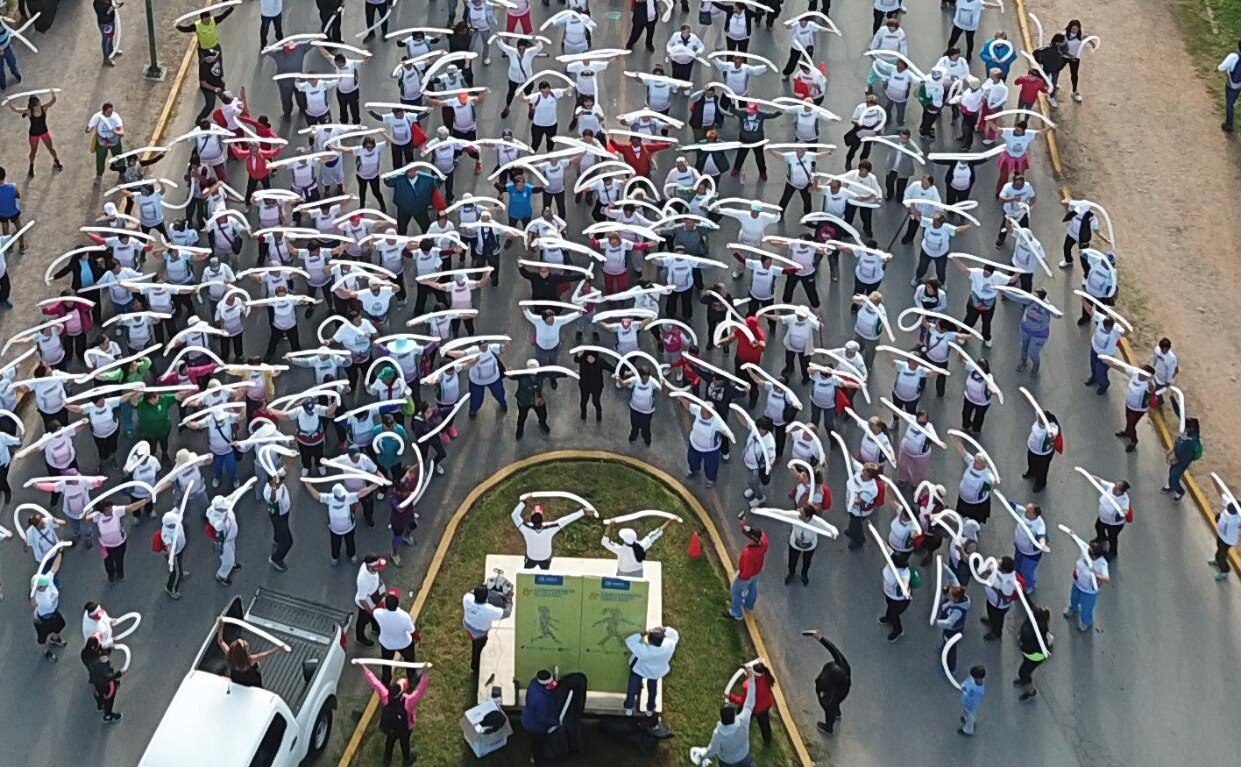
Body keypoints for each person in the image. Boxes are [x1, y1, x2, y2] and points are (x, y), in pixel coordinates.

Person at [360, 664, 428, 766]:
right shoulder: (408, 702)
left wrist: (365, 669)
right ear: (402, 692)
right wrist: (425, 677)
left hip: (390, 727)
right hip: (405, 728)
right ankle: (407, 759)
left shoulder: (386, 697)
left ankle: (387, 760)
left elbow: (375, 683)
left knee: (390, 742)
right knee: (405, 743)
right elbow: (420, 692)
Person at [511, 496, 589, 569]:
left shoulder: (525, 528)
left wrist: (523, 502)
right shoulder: (549, 528)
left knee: (526, 574)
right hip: (545, 558)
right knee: (545, 576)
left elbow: (514, 515)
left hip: (531, 557)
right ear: (542, 518)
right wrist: (583, 512)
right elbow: (565, 520)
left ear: (531, 519)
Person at [702, 663, 756, 766]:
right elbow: (750, 702)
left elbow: (713, 750)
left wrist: (704, 756)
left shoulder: (718, 734)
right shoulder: (743, 720)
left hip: (728, 762)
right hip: (744, 756)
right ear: (734, 714)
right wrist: (751, 678)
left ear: (721, 718)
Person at [623, 625, 680, 716]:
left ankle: (629, 707)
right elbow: (674, 634)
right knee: (652, 690)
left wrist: (642, 633)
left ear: (650, 640)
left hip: (639, 670)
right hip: (655, 672)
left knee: (632, 689)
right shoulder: (669, 645)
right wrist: (663, 629)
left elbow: (629, 641)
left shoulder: (644, 651)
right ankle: (650, 709)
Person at [216, 618, 287, 688]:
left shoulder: (230, 655)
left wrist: (221, 626)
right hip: (252, 682)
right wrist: (278, 648)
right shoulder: (249, 660)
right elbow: (266, 654)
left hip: (237, 681)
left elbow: (220, 641)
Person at [806, 629, 849, 735]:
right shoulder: (843, 666)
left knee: (830, 707)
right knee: (835, 702)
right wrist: (820, 638)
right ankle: (837, 712)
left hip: (833, 692)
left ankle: (828, 727)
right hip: (840, 691)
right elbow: (833, 649)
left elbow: (828, 703)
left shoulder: (834, 688)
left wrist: (821, 696)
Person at [724, 520, 767, 621]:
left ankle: (736, 613)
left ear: (752, 540)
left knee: (735, 591)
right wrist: (743, 525)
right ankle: (749, 605)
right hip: (757, 571)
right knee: (753, 587)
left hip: (746, 575)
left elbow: (747, 573)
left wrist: (741, 577)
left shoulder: (749, 554)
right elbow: (753, 533)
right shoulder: (764, 541)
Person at [1065, 541, 1110, 632]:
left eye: (1091, 555)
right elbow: (1078, 541)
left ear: (1096, 556)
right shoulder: (1086, 551)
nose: (1088, 555)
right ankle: (1073, 608)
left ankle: (1086, 622)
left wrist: (1096, 575)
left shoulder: (1102, 563)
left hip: (1089, 591)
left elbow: (1107, 579)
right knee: (1074, 598)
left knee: (1086, 608)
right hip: (1078, 583)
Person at [727, 662, 775, 746]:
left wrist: (730, 697)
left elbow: (742, 702)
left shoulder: (748, 686)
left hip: (754, 707)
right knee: (764, 725)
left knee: (740, 718)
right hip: (765, 705)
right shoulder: (766, 677)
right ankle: (767, 741)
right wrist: (746, 667)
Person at [602, 520, 671, 578]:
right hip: (638, 574)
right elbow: (655, 534)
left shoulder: (620, 550)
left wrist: (608, 527)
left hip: (623, 574)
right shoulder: (642, 545)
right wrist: (669, 521)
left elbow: (605, 542)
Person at [374, 593, 417, 683]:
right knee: (410, 662)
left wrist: (382, 603)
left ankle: (386, 682)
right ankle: (412, 678)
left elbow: (377, 608)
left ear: (386, 605)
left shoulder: (378, 614)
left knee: (386, 665)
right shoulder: (404, 616)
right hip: (404, 644)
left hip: (387, 645)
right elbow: (412, 632)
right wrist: (418, 638)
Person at [463, 586, 507, 673]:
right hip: (479, 634)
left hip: (468, 625)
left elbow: (471, 592)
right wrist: (509, 601)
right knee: (478, 649)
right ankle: (474, 667)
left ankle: (474, 667)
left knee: (477, 645)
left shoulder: (467, 598)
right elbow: (506, 613)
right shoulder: (489, 610)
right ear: (486, 598)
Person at [522, 670, 561, 765]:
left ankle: (534, 755)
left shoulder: (534, 683)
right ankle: (538, 761)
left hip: (528, 718)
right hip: (535, 726)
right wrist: (556, 722)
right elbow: (542, 719)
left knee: (535, 742)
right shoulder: (541, 699)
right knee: (538, 744)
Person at [81, 636, 122, 723]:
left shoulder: (84, 653)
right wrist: (118, 674)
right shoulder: (99, 663)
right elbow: (106, 677)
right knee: (109, 698)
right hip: (104, 682)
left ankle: (100, 705)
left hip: (95, 679)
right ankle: (108, 715)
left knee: (99, 692)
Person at [1015, 607, 1053, 701]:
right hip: (1036, 654)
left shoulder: (1030, 631)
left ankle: (1031, 691)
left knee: (1024, 672)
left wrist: (1021, 644)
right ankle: (1024, 680)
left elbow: (1028, 647)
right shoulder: (1040, 625)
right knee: (1026, 669)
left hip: (1035, 656)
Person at [1162, 417, 1203, 502]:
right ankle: (1171, 485)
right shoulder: (1186, 434)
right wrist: (1173, 450)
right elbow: (1178, 442)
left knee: (1175, 476)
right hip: (1178, 457)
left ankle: (1179, 491)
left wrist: (1177, 455)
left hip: (1182, 461)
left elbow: (1184, 449)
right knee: (1172, 471)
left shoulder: (1192, 440)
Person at [354, 555, 388, 647]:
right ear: (370, 567)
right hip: (367, 602)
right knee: (363, 620)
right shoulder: (363, 580)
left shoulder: (370, 568)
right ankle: (360, 638)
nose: (380, 568)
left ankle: (375, 628)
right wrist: (370, 610)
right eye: (378, 566)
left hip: (374, 595)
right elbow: (362, 599)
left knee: (375, 616)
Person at [1211, 498, 1239, 582]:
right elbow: (1219, 517)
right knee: (1219, 547)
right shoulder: (1227, 511)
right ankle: (1217, 560)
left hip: (1227, 541)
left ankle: (1225, 570)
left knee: (1222, 555)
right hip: (1221, 535)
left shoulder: (1237, 520)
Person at [1219, 39, 1241, 132]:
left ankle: (1229, 125)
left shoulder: (1234, 56)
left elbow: (1221, 67)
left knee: (1229, 103)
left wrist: (1218, 68)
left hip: (1232, 84)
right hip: (1239, 85)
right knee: (1233, 101)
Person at [959, 666, 986, 736]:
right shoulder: (974, 680)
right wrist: (963, 686)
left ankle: (968, 730)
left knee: (970, 716)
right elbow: (968, 682)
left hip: (970, 705)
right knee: (969, 713)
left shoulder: (978, 690)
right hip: (968, 703)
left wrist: (963, 691)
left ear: (978, 678)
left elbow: (970, 695)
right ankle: (967, 718)